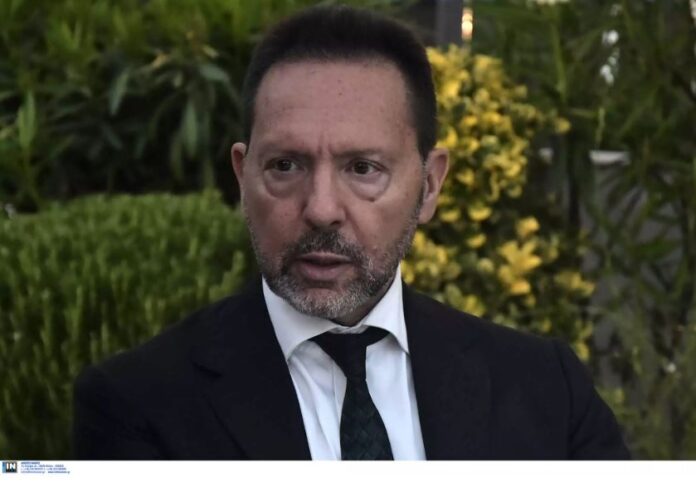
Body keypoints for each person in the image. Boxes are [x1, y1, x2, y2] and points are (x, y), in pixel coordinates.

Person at [73, 5, 630, 460]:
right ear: (243, 177)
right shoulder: (139, 405)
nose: (321, 209)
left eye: (363, 168)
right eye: (285, 166)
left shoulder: (546, 390)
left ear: (429, 186)